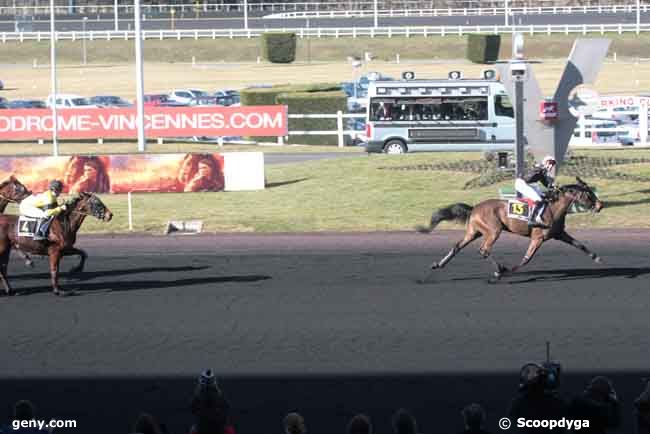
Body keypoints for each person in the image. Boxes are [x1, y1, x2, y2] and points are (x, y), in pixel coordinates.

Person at [514, 155, 557, 228]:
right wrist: (542, 169)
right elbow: (528, 178)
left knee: (543, 197)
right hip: (521, 183)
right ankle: (531, 219)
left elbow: (546, 183)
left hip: (528, 184)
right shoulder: (539, 168)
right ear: (546, 163)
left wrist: (553, 187)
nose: (551, 166)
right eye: (550, 164)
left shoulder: (542, 171)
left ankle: (538, 216)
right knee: (538, 199)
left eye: (552, 165)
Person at [189, 369, 233, 434]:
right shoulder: (219, 396)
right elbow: (227, 407)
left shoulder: (198, 396)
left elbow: (192, 408)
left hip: (205, 428)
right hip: (215, 428)